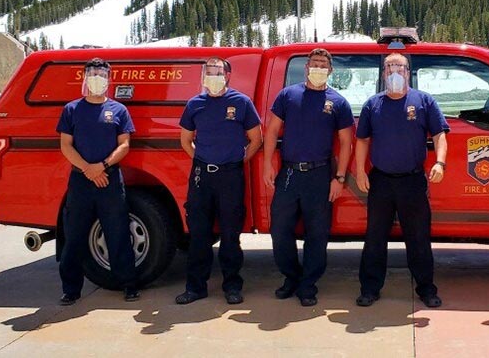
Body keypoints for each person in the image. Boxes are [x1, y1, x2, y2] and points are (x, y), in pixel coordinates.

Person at [354, 53, 449, 308]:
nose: (394, 71)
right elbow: (361, 139)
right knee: (375, 237)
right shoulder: (372, 104)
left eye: (400, 67)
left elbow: (440, 134)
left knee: (418, 237)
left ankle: (426, 289)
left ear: (408, 72)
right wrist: (360, 171)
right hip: (381, 181)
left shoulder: (424, 101)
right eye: (389, 67)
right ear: (383, 73)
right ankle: (370, 288)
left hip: (412, 181)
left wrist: (440, 162)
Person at [262, 48, 354, 307]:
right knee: (280, 230)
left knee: (317, 234)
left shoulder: (338, 102)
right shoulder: (287, 95)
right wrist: (268, 164)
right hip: (289, 173)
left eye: (323, 64)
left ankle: (308, 285)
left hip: (320, 175)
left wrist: (339, 178)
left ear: (330, 70)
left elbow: (346, 142)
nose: (318, 68)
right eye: (314, 63)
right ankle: (291, 277)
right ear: (306, 68)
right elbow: (271, 132)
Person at [175, 57, 262, 305]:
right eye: (208, 72)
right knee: (199, 234)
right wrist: (202, 159)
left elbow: (256, 139)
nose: (212, 76)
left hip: (231, 176)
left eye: (217, 72)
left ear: (228, 75)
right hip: (202, 176)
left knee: (230, 233)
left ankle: (232, 286)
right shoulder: (194, 104)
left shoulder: (241, 102)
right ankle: (195, 288)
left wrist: (235, 161)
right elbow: (185, 140)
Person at [56, 57, 139, 305]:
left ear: (108, 78)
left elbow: (124, 144)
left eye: (101, 74)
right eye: (92, 73)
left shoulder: (119, 110)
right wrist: (88, 169)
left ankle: (129, 284)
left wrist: (102, 167)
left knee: (118, 233)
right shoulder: (71, 109)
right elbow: (65, 146)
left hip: (110, 180)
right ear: (84, 77)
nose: (97, 78)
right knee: (74, 235)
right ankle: (71, 289)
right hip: (81, 181)